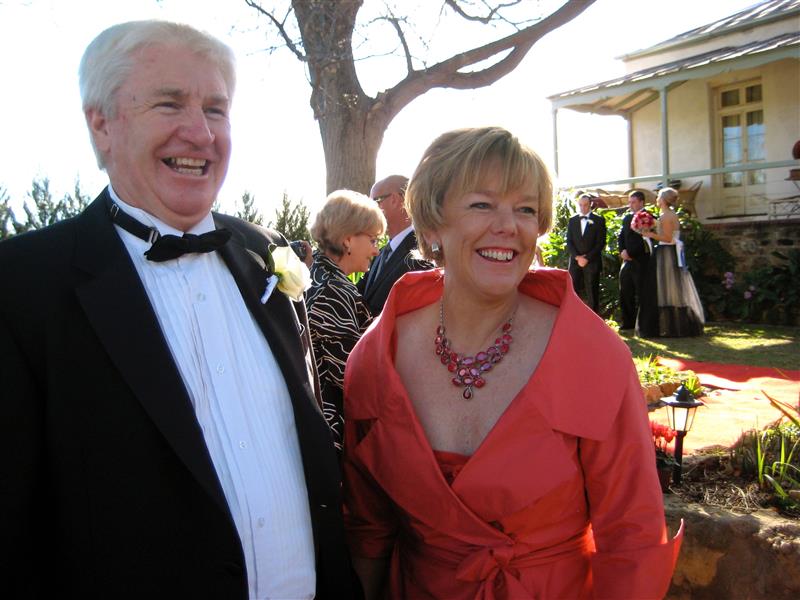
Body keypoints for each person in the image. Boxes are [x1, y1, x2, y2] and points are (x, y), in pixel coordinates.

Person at [0, 20, 354, 599]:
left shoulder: (264, 255)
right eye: (170, 104)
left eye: (216, 110)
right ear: (101, 124)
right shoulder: (21, 286)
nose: (200, 133)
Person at [342, 126, 682, 599]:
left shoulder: (590, 355)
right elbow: (368, 525)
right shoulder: (379, 356)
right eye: (482, 204)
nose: (510, 226)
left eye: (526, 209)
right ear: (433, 224)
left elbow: (633, 538)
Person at [307, 190, 385, 454]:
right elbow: (349, 375)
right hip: (330, 432)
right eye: (373, 240)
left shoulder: (316, 275)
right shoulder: (333, 290)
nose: (376, 250)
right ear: (348, 239)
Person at [358, 174, 432, 315]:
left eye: (374, 202)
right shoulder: (381, 253)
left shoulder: (423, 252)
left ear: (395, 200)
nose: (369, 211)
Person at [638, 187, 705, 338]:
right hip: (668, 251)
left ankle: (672, 326)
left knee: (667, 287)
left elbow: (667, 238)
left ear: (663, 200)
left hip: (667, 252)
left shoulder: (667, 216)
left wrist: (649, 234)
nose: (656, 200)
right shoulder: (666, 215)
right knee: (669, 287)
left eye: (658, 197)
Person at [566, 192, 607, 314]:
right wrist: (577, 257)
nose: (583, 208)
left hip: (592, 261)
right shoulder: (573, 220)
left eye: (585, 205)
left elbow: (601, 242)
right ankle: (574, 316)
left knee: (592, 291)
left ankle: (593, 319)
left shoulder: (598, 220)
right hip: (575, 261)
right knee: (574, 290)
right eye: (581, 205)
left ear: (591, 204)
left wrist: (587, 258)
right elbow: (569, 241)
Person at [618, 190, 651, 330]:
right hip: (627, 261)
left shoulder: (648, 217)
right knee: (625, 291)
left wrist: (632, 253)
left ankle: (644, 323)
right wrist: (622, 251)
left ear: (641, 202)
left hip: (641, 261)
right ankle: (628, 322)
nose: (630, 205)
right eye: (629, 202)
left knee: (642, 292)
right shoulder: (626, 218)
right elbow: (621, 236)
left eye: (633, 202)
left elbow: (646, 241)